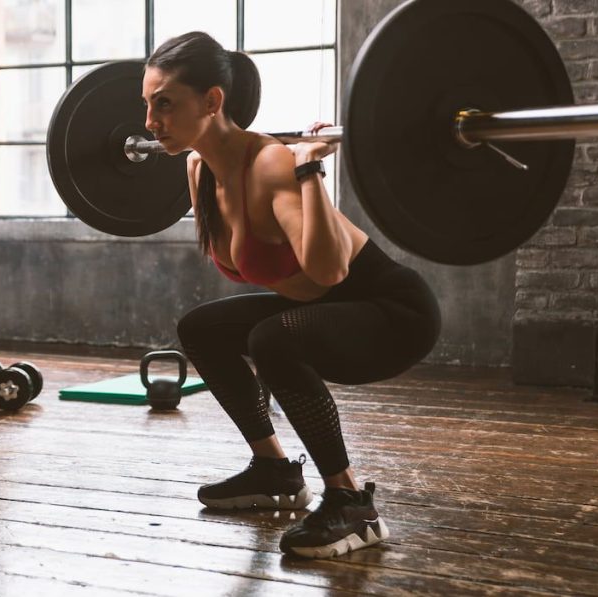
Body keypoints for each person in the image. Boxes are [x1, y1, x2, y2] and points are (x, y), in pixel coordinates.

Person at [142, 31, 441, 559]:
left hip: (393, 313)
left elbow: (325, 272)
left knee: (270, 339)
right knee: (201, 329)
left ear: (212, 102)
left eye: (164, 103)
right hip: (320, 307)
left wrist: (307, 168)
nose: (150, 122)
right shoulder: (198, 168)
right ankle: (274, 471)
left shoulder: (273, 165)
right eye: (147, 104)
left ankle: (351, 503)